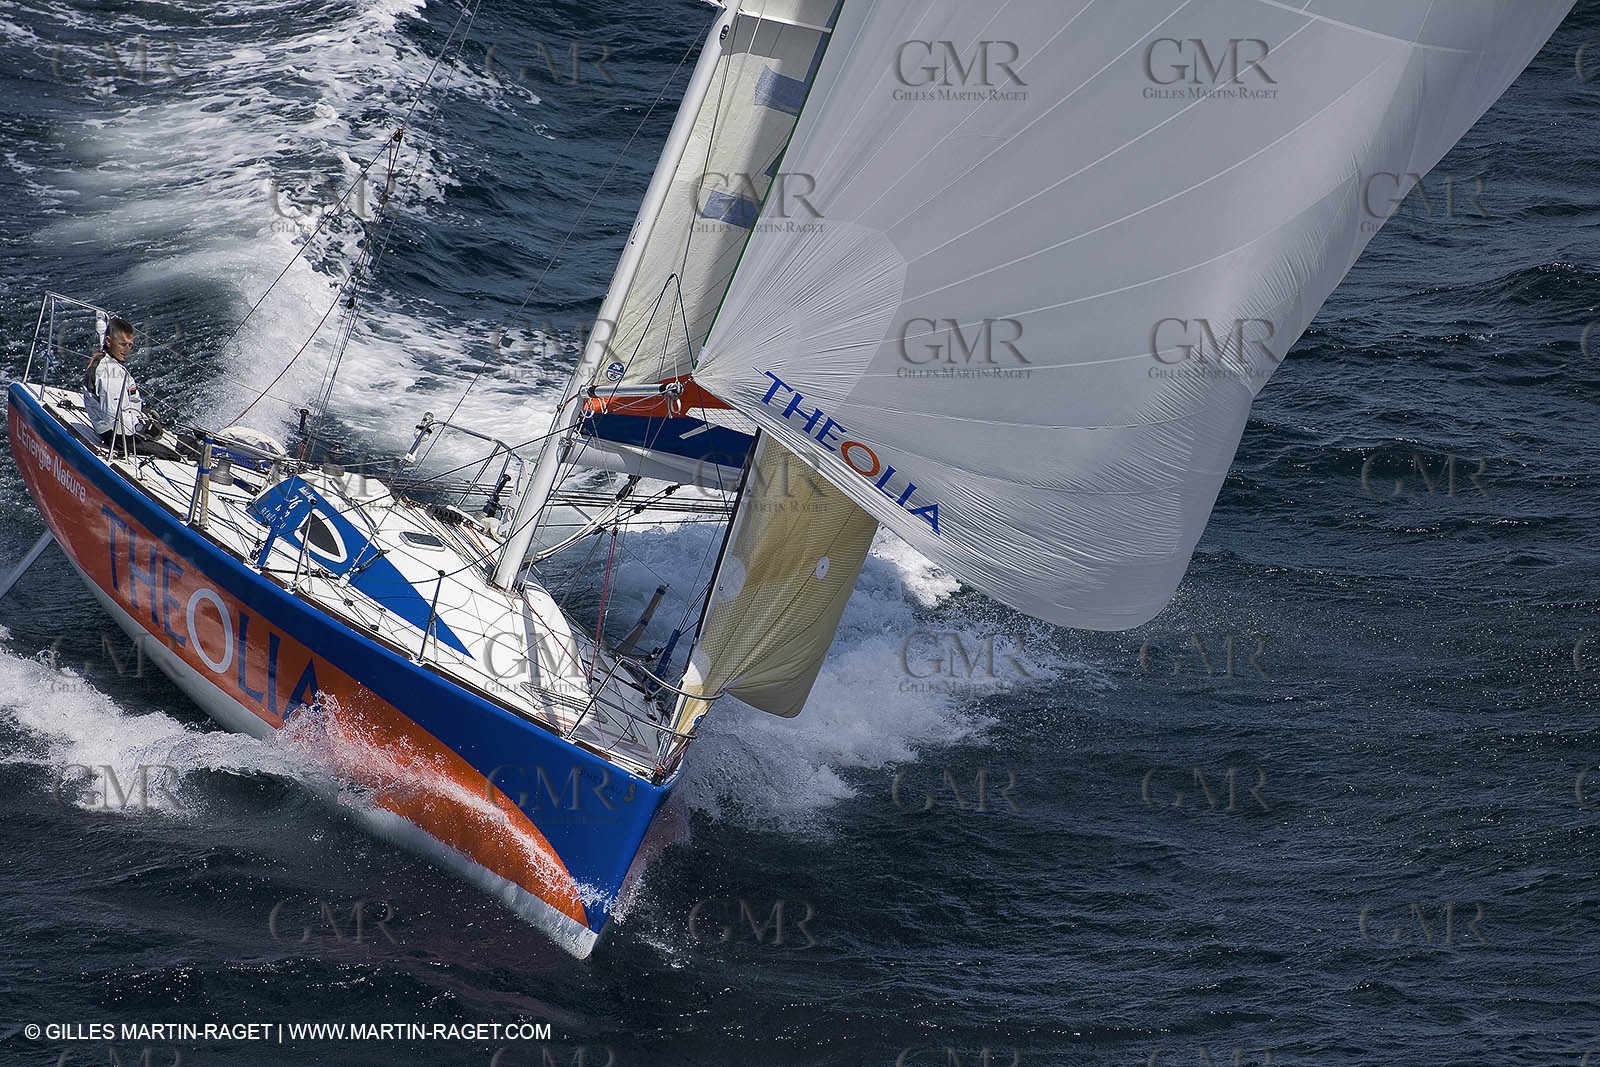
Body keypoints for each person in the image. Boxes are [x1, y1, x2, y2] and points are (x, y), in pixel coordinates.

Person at [83, 316, 180, 460]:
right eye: (122, 344)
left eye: (130, 345)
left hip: (121, 430)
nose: (127, 349)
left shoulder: (104, 360)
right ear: (109, 342)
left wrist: (141, 415)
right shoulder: (111, 374)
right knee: (176, 454)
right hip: (121, 438)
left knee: (182, 443)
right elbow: (113, 419)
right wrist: (143, 427)